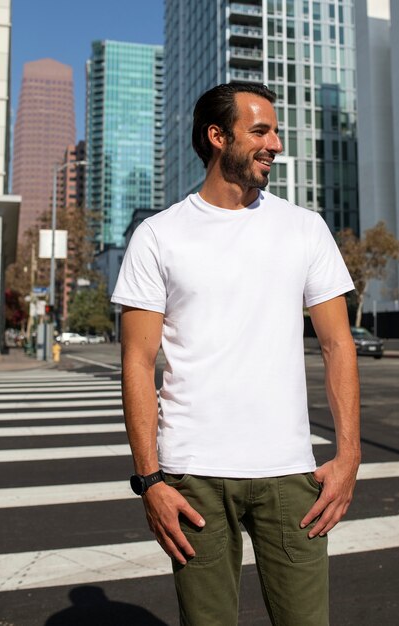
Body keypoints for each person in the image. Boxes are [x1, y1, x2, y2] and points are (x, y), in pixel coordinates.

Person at [111, 83, 361, 626]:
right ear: (217, 136)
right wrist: (149, 480)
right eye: (261, 131)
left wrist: (348, 457)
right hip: (191, 475)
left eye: (275, 131)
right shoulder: (158, 236)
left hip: (290, 475)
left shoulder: (304, 228)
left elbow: (339, 345)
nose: (275, 143)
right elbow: (137, 362)